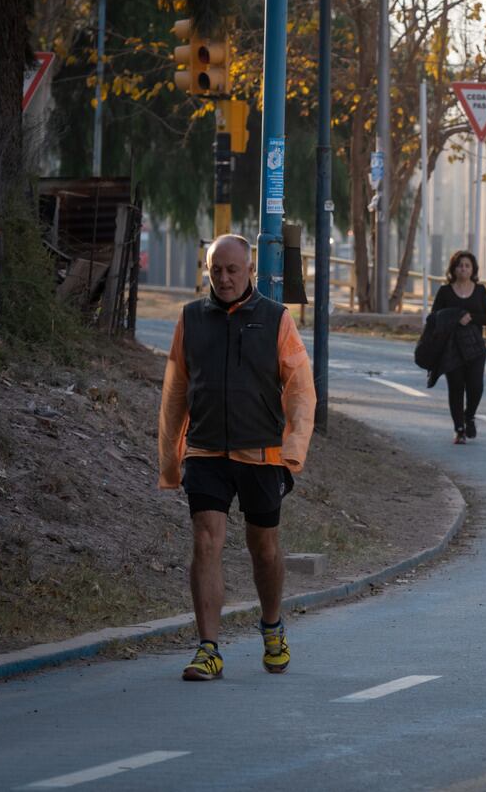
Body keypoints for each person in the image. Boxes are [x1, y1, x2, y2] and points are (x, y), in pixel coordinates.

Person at [158, 234, 315, 680]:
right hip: (206, 450)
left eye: (232, 270)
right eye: (216, 270)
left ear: (249, 270)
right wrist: (171, 458)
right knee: (206, 540)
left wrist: (293, 451)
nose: (224, 278)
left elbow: (301, 390)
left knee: (263, 548)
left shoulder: (276, 318)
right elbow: (174, 393)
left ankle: (272, 624)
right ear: (207, 270)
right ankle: (208, 648)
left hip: (262, 454)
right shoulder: (191, 319)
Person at [430, 250, 486, 444]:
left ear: (473, 269)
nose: (464, 269)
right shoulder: (445, 291)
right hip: (452, 348)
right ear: (454, 269)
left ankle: (470, 416)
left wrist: (471, 317)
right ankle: (459, 429)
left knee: (476, 387)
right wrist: (455, 316)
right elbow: (435, 316)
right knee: (456, 388)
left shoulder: (480, 291)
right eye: (460, 266)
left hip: (475, 348)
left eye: (467, 266)